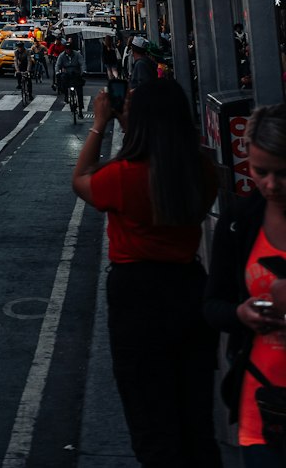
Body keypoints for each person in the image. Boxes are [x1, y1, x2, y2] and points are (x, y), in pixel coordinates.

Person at [72, 78, 221, 466]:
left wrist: (101, 124)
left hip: (137, 296)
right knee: (196, 422)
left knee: (152, 425)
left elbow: (81, 179)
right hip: (189, 289)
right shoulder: (202, 171)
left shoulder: (123, 176)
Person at [206, 103, 286, 461]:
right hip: (261, 405)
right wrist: (241, 313)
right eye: (260, 171)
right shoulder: (239, 222)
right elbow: (212, 305)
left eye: (283, 173)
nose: (271, 185)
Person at [56, 40, 85, 115]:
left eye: (69, 49)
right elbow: (58, 65)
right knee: (62, 80)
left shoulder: (77, 54)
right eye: (66, 49)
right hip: (67, 74)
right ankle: (65, 95)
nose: (68, 50)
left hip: (76, 74)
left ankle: (81, 108)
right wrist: (57, 72)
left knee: (79, 91)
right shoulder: (62, 55)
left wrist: (83, 72)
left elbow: (82, 64)